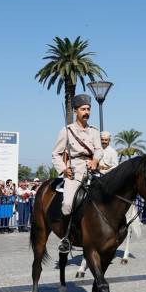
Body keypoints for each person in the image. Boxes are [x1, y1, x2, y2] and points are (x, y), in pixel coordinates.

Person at [51, 93, 103, 252]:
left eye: (88, 109)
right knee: (67, 204)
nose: (86, 112)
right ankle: (67, 237)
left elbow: (99, 149)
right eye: (83, 109)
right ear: (75, 111)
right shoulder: (66, 131)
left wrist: (95, 160)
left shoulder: (94, 131)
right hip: (76, 172)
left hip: (94, 171)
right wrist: (63, 169)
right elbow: (56, 154)